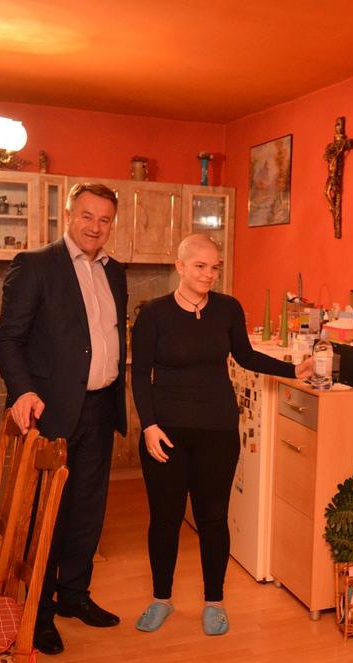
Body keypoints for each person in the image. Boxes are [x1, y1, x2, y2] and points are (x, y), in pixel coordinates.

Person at [131, 234, 313, 636]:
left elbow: (245, 356)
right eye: (200, 266)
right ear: (180, 266)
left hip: (217, 430)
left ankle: (214, 601)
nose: (209, 274)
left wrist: (292, 370)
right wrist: (149, 426)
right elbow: (140, 374)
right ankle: (161, 598)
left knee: (213, 518)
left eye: (215, 267)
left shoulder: (228, 309)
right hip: (165, 433)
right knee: (164, 519)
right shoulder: (154, 315)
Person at [0, 182, 127, 656]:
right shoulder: (35, 265)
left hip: (101, 406)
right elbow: (8, 339)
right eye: (87, 215)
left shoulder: (115, 272)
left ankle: (74, 595)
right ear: (68, 214)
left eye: (104, 219)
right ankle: (40, 612)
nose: (95, 226)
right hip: (52, 410)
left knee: (87, 511)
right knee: (44, 517)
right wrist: (24, 391)